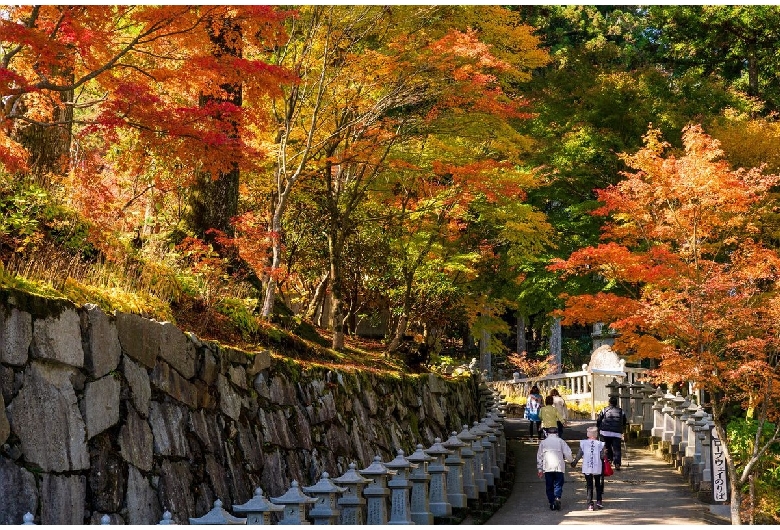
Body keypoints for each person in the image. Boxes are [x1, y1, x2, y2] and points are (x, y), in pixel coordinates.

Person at [536, 426, 573, 511]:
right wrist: (571, 461)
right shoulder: (561, 441)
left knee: (549, 486)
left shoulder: (543, 443)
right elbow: (568, 453)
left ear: (547, 433)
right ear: (557, 433)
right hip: (559, 467)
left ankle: (552, 502)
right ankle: (557, 497)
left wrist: (540, 469)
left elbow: (539, 456)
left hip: (548, 467)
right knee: (558, 484)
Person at [571, 426, 607, 510]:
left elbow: (579, 454)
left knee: (589, 486)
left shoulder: (583, 443)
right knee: (598, 485)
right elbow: (602, 456)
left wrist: (575, 462)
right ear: (596, 434)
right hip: (597, 467)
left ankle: (590, 504)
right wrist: (605, 453)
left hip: (587, 467)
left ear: (588, 434)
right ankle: (599, 501)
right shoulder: (600, 444)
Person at [596, 396, 627, 470]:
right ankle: (617, 463)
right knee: (617, 449)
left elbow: (599, 419)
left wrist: (598, 427)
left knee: (607, 447)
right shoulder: (621, 411)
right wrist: (623, 428)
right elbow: (624, 421)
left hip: (605, 432)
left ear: (609, 402)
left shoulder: (604, 409)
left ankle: (609, 460)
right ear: (616, 403)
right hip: (617, 433)